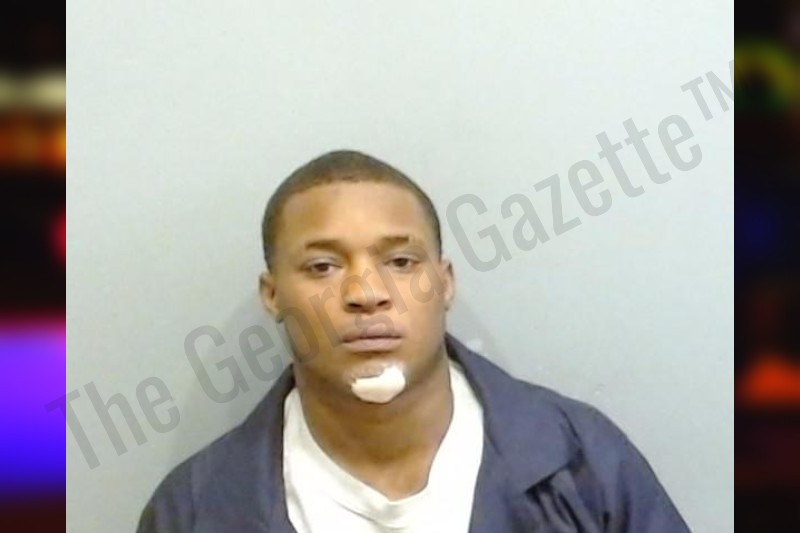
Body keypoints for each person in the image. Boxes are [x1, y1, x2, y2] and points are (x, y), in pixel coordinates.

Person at [137, 150, 690, 532]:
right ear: (273, 294)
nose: (366, 294)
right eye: (323, 266)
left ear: (444, 284)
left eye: (401, 262)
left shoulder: (585, 464)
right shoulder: (194, 509)